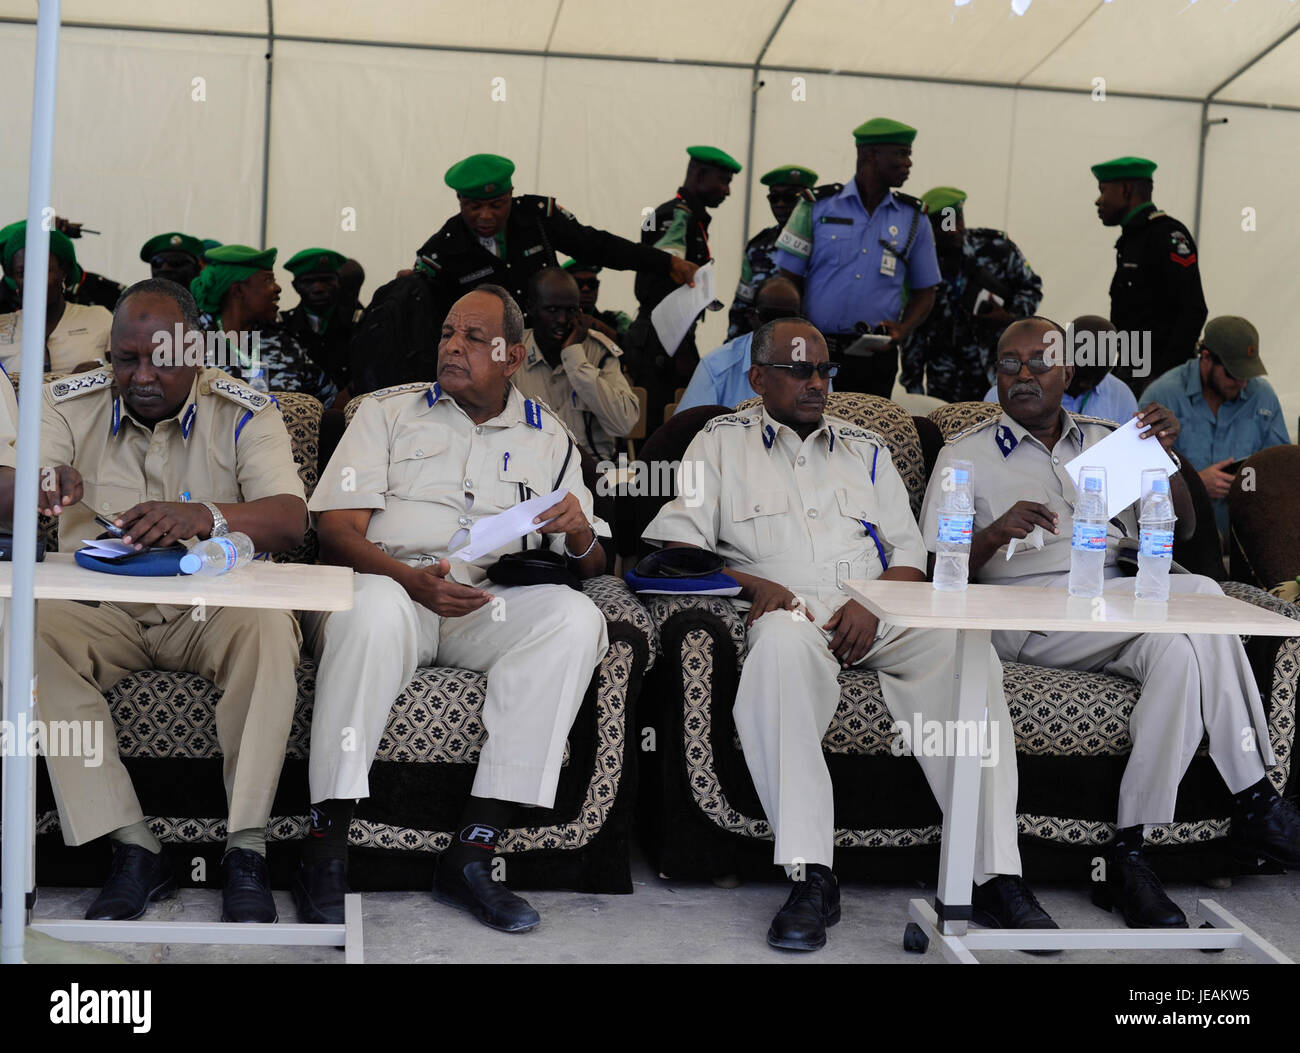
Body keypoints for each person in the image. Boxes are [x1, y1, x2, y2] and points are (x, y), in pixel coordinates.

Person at [644, 316, 1052, 952]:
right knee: (779, 649)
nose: (816, 382)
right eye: (798, 370)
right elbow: (679, 551)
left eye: (823, 370)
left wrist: (872, 601)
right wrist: (757, 586)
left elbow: (911, 555)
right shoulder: (717, 444)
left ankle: (995, 875)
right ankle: (811, 875)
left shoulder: (867, 448)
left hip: (879, 611)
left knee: (965, 651)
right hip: (793, 612)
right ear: (758, 378)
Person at [925, 316, 1300, 928]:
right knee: (1200, 595)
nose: (1024, 375)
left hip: (1118, 599)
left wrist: (1166, 457)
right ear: (996, 374)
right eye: (1010, 364)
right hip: (1023, 610)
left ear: (1068, 372)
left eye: (1040, 362)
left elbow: (1183, 527)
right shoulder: (963, 456)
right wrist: (991, 535)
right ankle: (1256, 795)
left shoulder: (1109, 440)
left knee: (1180, 655)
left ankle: (1129, 854)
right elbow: (934, 574)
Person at [296, 285, 609, 933]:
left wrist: (580, 530)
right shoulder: (385, 414)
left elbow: (593, 567)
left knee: (575, 618)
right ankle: (326, 848)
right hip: (392, 586)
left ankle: (472, 853)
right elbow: (336, 533)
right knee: (372, 609)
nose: (453, 347)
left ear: (513, 356)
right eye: (447, 333)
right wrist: (413, 582)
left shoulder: (549, 437)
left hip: (484, 603)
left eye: (473, 337)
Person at [33, 278, 308, 922]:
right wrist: (46, 483)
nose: (142, 376)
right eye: (125, 359)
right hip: (100, 608)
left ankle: (246, 850)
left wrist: (204, 515)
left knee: (270, 629)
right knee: (22, 628)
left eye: (160, 359)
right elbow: (30, 481)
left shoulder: (245, 409)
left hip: (212, 608)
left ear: (198, 351)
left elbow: (290, 519)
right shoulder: (65, 403)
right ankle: (132, 846)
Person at [350, 153, 696, 396]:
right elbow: (431, 326)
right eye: (474, 206)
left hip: (553, 354)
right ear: (459, 201)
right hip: (492, 369)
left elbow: (597, 246)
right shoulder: (443, 251)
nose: (486, 216)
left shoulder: (539, 217)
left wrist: (667, 263)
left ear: (511, 196)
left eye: (497, 204)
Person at [774, 118, 940, 398]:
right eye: (901, 154)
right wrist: (796, 332)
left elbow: (926, 290)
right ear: (871, 155)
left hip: (876, 356)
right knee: (811, 422)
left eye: (909, 154)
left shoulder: (914, 218)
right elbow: (787, 279)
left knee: (869, 425)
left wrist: (902, 329)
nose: (908, 163)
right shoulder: (816, 206)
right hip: (816, 353)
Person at [1139, 316, 1291, 538]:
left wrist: (1250, 484)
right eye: (1233, 373)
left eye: (1248, 374)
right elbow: (1140, 481)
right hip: (1182, 540)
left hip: (1248, 533)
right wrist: (1196, 485)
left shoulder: (1262, 396)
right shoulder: (1162, 396)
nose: (1242, 383)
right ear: (1206, 358)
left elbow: (1280, 470)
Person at [627, 145, 741, 427]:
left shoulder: (691, 217)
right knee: (657, 425)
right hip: (661, 340)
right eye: (723, 181)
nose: (727, 191)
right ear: (700, 174)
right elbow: (658, 288)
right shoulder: (671, 217)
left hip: (674, 337)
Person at [903, 186, 1042, 401]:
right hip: (945, 381)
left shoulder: (996, 248)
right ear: (928, 227)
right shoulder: (919, 263)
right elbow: (914, 330)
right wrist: (914, 387)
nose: (953, 231)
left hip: (997, 372)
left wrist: (1010, 316)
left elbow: (1031, 287)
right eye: (944, 225)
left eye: (956, 221)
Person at [1093, 156, 1207, 396]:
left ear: (1126, 189)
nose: (1098, 200)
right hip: (1134, 370)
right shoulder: (1132, 238)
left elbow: (1193, 310)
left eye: (1103, 190)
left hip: (1158, 377)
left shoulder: (1167, 235)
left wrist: (1163, 377)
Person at [512, 267, 638, 460]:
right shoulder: (511, 353)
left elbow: (624, 423)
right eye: (552, 310)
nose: (562, 319)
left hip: (591, 468)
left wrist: (575, 358)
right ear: (530, 308)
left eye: (570, 310)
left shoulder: (599, 352)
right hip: (529, 466)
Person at [191, 244, 337, 404]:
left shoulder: (283, 342)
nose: (277, 288)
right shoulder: (191, 340)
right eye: (268, 280)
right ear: (238, 290)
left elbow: (329, 398)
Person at [675, 276, 802, 414]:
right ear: (751, 316)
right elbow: (688, 426)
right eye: (769, 316)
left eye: (787, 318)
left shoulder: (813, 364)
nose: (778, 327)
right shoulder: (716, 367)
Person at [982, 314, 1137, 425]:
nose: (1084, 384)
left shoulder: (1121, 396)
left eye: (1095, 378)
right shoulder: (1005, 396)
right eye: (1081, 376)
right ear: (1067, 368)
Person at [0, 221, 111, 373]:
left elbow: (126, 374)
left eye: (41, 269)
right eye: (21, 273)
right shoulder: (2, 326)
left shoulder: (99, 318)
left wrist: (99, 375)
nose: (32, 281)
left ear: (63, 271)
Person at [726, 165, 818, 340]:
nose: (780, 204)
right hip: (765, 343)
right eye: (774, 198)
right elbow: (741, 306)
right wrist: (732, 347)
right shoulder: (758, 245)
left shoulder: (822, 244)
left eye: (789, 198)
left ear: (807, 200)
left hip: (809, 342)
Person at [279, 248, 355, 396]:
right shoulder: (282, 326)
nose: (319, 288)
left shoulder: (358, 323)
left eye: (326, 280)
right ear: (295, 286)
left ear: (339, 282)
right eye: (308, 281)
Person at [561, 260, 632, 341]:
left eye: (592, 283)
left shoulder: (617, 321)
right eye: (578, 283)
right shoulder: (555, 323)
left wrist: (598, 327)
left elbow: (629, 345)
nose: (586, 289)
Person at [139, 231, 205, 290]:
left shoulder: (207, 299)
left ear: (197, 270)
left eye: (176, 262)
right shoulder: (139, 298)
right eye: (157, 262)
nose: (165, 268)